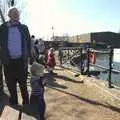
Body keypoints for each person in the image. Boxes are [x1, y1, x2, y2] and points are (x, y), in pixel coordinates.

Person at [0, 7, 31, 105]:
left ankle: (26, 102)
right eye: (14, 13)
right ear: (9, 15)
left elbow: (29, 43)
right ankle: (14, 101)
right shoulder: (3, 28)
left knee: (23, 83)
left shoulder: (24, 28)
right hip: (8, 62)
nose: (16, 15)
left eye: (17, 13)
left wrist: (30, 58)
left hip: (21, 61)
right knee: (10, 84)